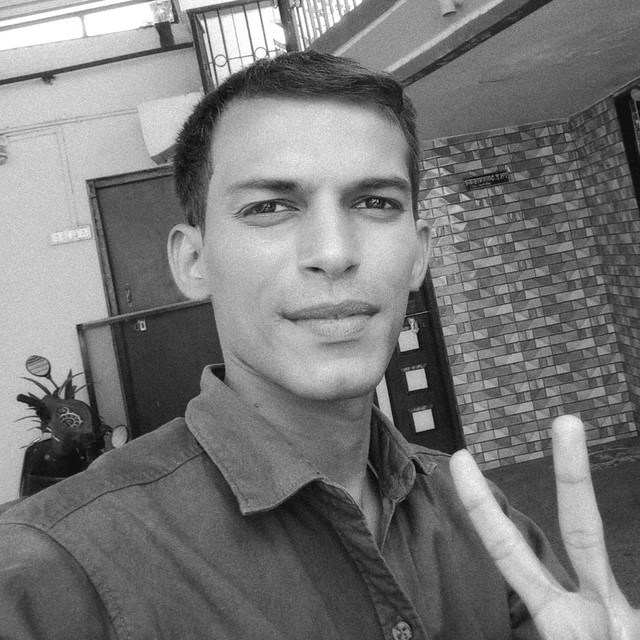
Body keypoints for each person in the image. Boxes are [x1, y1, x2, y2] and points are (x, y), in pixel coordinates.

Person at [0, 51, 637, 640]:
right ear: (193, 261)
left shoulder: (480, 519)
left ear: (418, 255)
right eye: (270, 207)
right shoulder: (54, 572)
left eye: (375, 201)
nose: (334, 253)